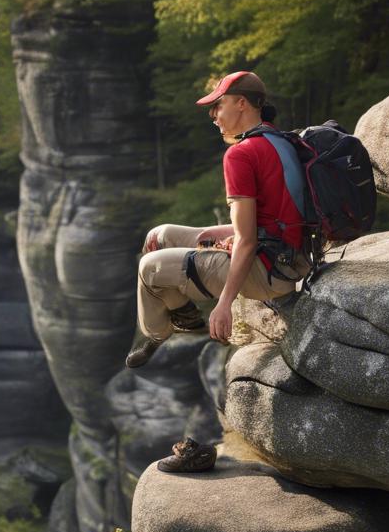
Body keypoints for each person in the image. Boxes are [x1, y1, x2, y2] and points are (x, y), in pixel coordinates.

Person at [126, 71, 311, 368]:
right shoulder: (280, 140)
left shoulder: (241, 155)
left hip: (270, 274)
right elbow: (278, 218)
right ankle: (185, 316)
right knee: (160, 236)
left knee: (149, 268)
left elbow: (248, 240)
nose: (213, 115)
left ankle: (158, 333)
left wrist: (224, 304)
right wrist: (216, 233)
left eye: (218, 105)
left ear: (241, 103)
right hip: (291, 256)